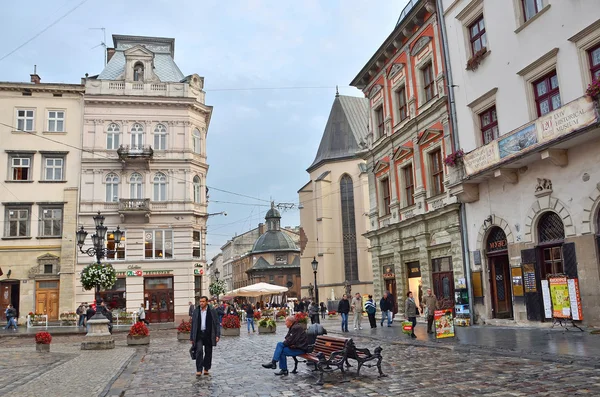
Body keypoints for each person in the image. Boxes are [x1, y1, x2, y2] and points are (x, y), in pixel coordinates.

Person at [190, 296, 221, 376]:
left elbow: (217, 323)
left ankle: (206, 368)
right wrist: (191, 337)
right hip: (199, 334)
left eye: (203, 301)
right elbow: (193, 324)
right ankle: (199, 369)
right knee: (199, 351)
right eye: (200, 301)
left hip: (209, 333)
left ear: (207, 302)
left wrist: (217, 335)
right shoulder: (196, 311)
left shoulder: (212, 310)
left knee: (208, 352)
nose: (201, 303)